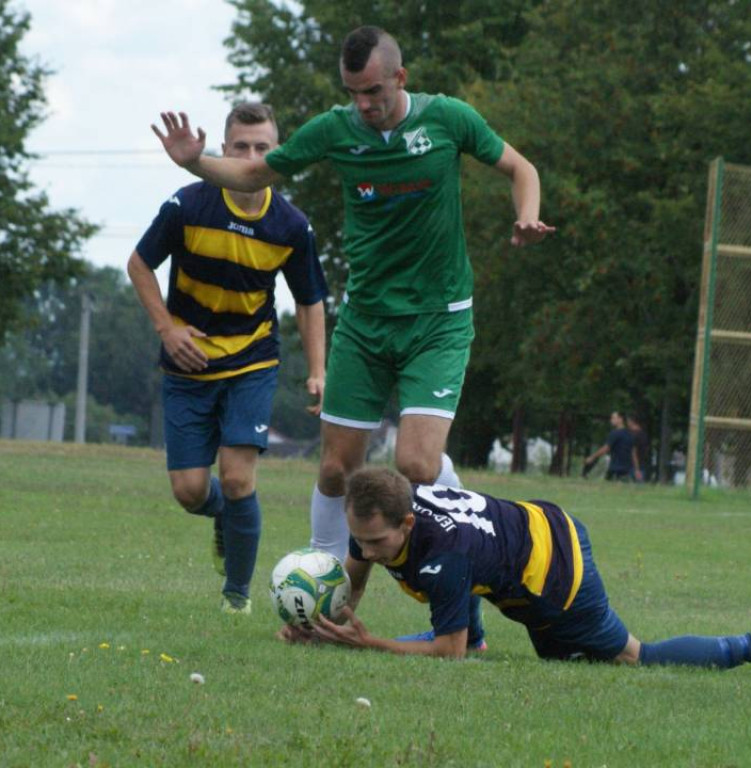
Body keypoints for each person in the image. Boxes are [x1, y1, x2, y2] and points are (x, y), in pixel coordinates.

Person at [151, 26, 553, 641]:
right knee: (337, 470)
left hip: (437, 320)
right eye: (352, 93)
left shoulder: (447, 119)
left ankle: (466, 542)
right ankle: (324, 581)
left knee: (417, 463)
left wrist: (526, 215)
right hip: (365, 324)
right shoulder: (336, 130)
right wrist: (194, 162)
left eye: (372, 92)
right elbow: (256, 174)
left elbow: (518, 166)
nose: (363, 105)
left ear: (400, 78)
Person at [279, 467, 751, 678]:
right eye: (360, 538)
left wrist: (368, 644)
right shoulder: (380, 506)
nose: (364, 551)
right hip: (529, 525)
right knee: (555, 655)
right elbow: (356, 572)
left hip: (558, 571)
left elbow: (448, 653)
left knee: (632, 657)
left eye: (376, 542)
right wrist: (324, 620)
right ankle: (484, 632)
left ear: (408, 521)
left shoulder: (446, 557)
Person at [130, 102, 328, 615]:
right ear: (223, 150)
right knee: (191, 491)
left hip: (251, 362)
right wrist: (167, 328)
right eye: (240, 146)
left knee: (240, 479)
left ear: (277, 155)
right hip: (187, 365)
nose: (251, 157)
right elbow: (139, 264)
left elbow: (309, 301)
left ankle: (235, 597)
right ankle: (224, 515)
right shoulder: (187, 205)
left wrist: (317, 371)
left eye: (262, 148)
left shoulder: (290, 226)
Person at [583, 410, 640, 481]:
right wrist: (637, 469)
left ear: (620, 419)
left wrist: (592, 457)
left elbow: (606, 448)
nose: (611, 420)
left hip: (615, 469)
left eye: (613, 418)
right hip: (627, 470)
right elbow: (633, 453)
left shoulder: (615, 433)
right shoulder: (630, 434)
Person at [626, 413, 651, 482]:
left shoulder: (633, 435)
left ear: (632, 421)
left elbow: (633, 452)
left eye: (628, 421)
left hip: (633, 466)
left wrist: (637, 469)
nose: (627, 423)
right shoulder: (643, 435)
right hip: (642, 464)